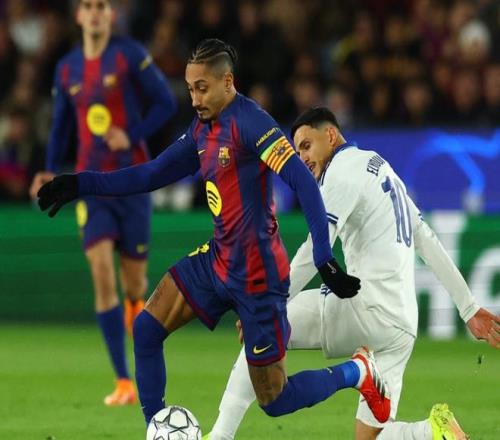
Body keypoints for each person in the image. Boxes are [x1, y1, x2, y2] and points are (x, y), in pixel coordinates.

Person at [35, 38, 398, 428]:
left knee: (275, 399)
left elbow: (303, 182)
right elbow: (152, 174)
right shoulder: (201, 130)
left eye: (202, 88)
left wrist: (324, 256)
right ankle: (156, 429)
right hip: (218, 261)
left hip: (259, 277)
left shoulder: (251, 123)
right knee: (145, 328)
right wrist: (82, 183)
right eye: (190, 89)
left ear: (227, 82)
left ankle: (357, 371)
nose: (194, 99)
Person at [203, 107, 500, 440]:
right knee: (371, 437)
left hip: (366, 306)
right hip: (402, 324)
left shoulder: (341, 172)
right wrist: (468, 307)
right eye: (297, 151)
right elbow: (427, 240)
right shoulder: (381, 167)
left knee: (263, 331)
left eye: (306, 146)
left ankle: (220, 435)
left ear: (330, 135)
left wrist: (271, 304)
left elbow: (313, 251)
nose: (302, 158)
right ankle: (432, 432)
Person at [29, 0, 177, 406]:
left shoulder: (129, 55)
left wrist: (132, 135)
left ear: (110, 15)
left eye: (101, 5)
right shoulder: (67, 68)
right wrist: (49, 170)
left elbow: (165, 103)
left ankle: (134, 309)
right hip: (90, 186)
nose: (94, 12)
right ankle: (123, 381)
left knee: (135, 284)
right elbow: (61, 126)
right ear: (79, 16)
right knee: (100, 271)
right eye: (88, 6)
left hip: (132, 183)